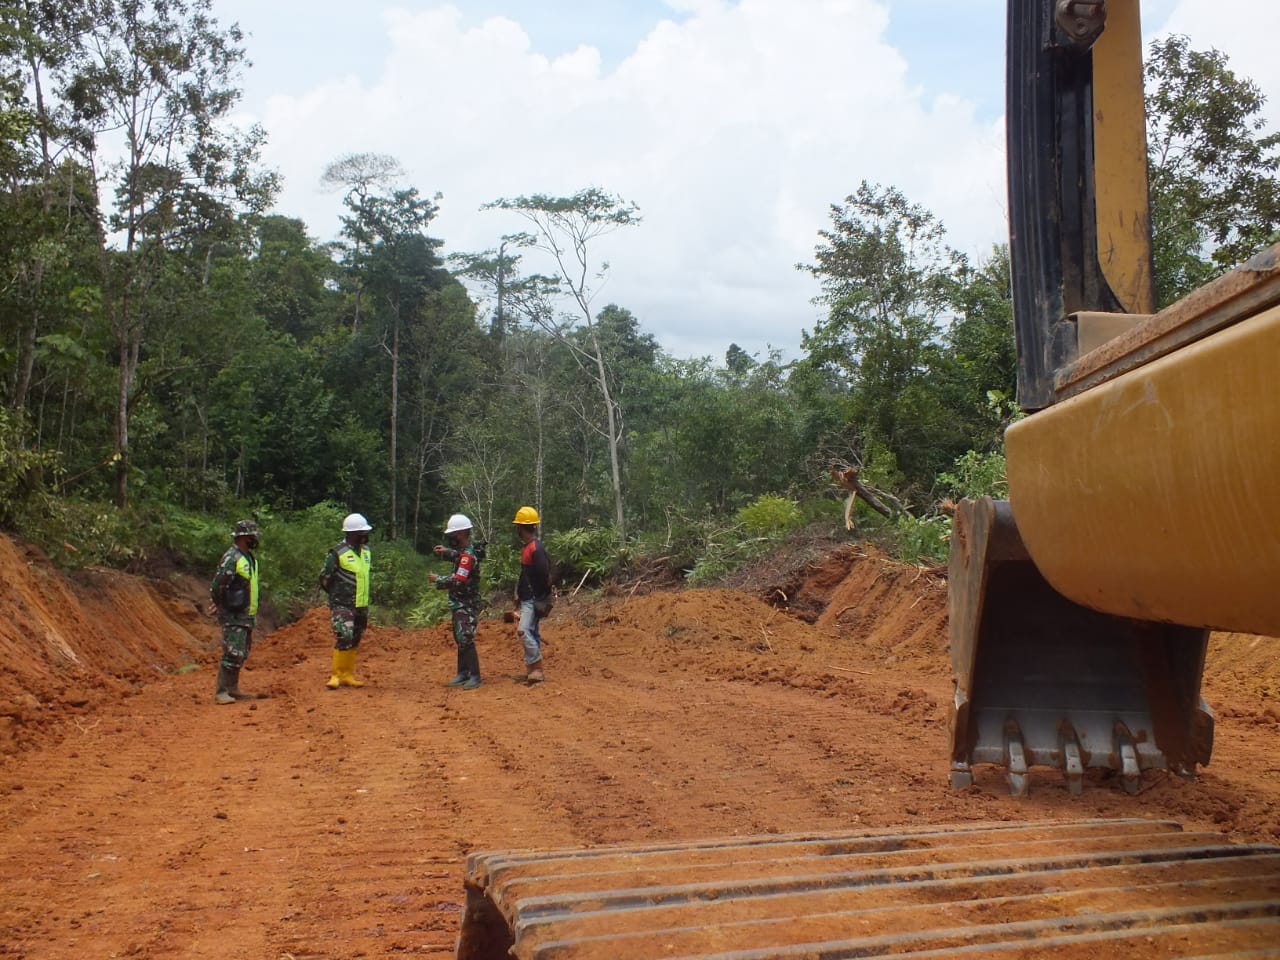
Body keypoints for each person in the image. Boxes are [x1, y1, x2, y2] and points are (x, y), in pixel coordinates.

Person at [208, 519, 262, 705]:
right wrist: (218, 603)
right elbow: (218, 584)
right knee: (232, 651)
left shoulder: (248, 558)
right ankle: (222, 691)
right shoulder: (232, 558)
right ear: (244, 537)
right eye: (253, 536)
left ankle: (232, 688)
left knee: (241, 651)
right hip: (234, 613)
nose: (256, 539)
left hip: (246, 613)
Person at [319, 513, 373, 689]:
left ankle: (348, 675)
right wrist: (337, 595)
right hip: (342, 603)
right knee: (344, 635)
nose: (365, 535)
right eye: (362, 532)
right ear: (352, 533)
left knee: (355, 637)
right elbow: (325, 577)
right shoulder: (337, 552)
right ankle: (336, 675)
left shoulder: (366, 552)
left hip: (361, 603)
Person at [430, 513, 483, 690]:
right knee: (459, 637)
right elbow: (457, 556)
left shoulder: (468, 556)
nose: (450, 538)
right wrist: (446, 553)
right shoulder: (463, 553)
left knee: (465, 637)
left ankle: (475, 675)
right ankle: (463, 672)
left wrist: (438, 579)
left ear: (460, 534)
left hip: (466, 603)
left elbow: (458, 579)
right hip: (460, 602)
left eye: (452, 535)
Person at [512, 506, 553, 683]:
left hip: (533, 598)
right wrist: (517, 592)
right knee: (533, 632)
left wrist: (542, 597)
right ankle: (533, 671)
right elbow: (525, 573)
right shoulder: (528, 547)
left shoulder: (535, 548)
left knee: (523, 631)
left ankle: (536, 668)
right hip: (528, 597)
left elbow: (545, 574)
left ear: (520, 527)